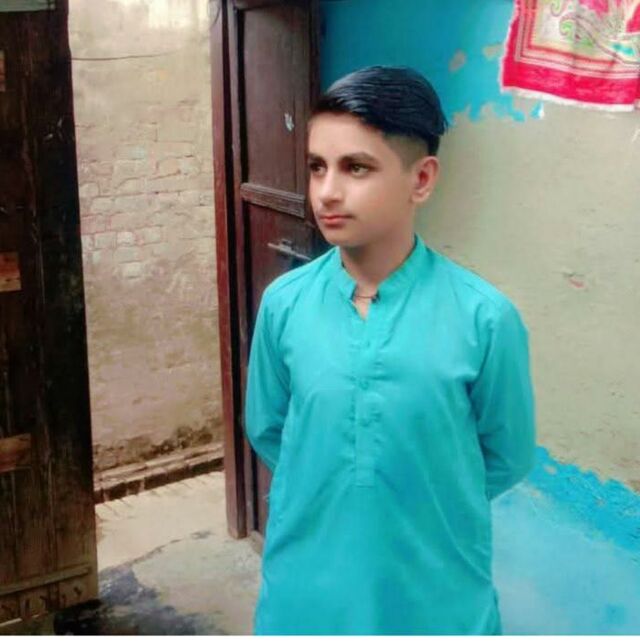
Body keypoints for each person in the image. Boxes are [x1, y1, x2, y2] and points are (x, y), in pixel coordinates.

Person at [244, 65, 536, 635]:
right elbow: (269, 428)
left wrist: (426, 497)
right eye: (317, 167)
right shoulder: (284, 304)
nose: (327, 192)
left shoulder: (484, 318)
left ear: (420, 180)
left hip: (438, 599)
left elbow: (506, 455)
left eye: (356, 168)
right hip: (305, 596)